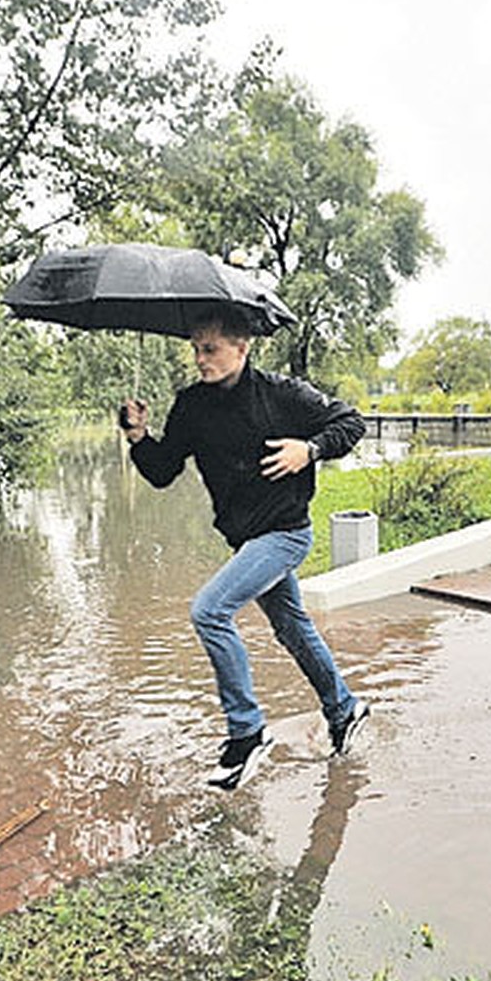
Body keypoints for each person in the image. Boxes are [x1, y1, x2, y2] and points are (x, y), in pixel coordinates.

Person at [119, 313, 370, 791]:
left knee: (209, 611)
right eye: (196, 349)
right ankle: (343, 708)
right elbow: (163, 470)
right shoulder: (191, 406)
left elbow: (351, 422)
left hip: (286, 532)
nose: (200, 359)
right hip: (245, 538)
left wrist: (309, 449)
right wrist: (138, 436)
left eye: (210, 349)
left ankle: (246, 733)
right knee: (291, 627)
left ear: (242, 348)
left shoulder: (283, 394)